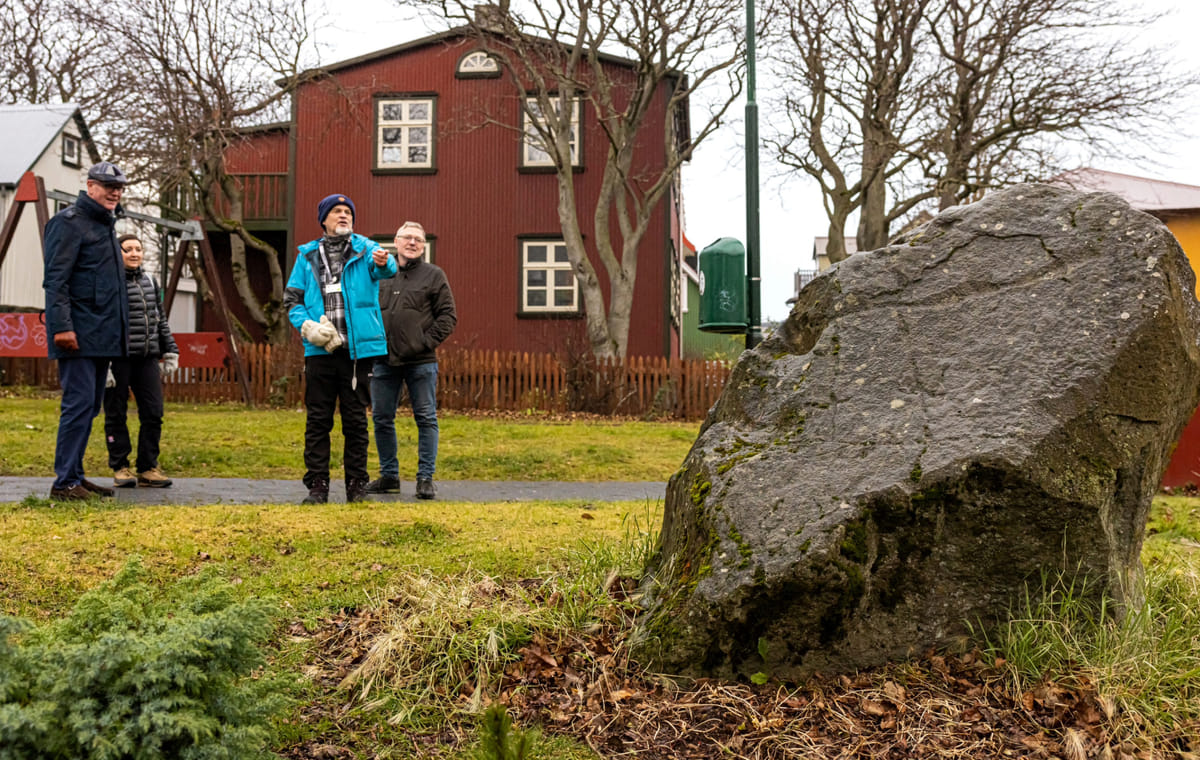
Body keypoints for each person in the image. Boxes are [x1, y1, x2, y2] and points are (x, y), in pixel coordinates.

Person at [283, 194, 397, 504]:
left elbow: (387, 269)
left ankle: (356, 488)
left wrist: (385, 261)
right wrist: (308, 327)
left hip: (357, 353)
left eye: (348, 212)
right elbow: (292, 300)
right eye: (337, 211)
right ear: (324, 220)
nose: (343, 216)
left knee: (355, 421)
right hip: (320, 353)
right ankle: (317, 487)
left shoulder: (366, 249)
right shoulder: (306, 256)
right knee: (318, 420)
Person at [42, 161, 131, 500]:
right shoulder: (68, 224)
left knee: (91, 406)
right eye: (108, 186)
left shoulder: (105, 226)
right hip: (77, 334)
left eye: (119, 187)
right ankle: (64, 482)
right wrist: (62, 327)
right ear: (90, 186)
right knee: (78, 405)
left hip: (102, 336)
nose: (115, 192)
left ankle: (75, 476)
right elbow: (56, 280)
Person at [366, 221, 456, 500]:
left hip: (421, 362)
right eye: (408, 238)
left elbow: (448, 317)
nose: (413, 243)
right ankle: (389, 476)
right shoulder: (381, 275)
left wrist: (423, 343)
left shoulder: (434, 275)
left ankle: (425, 478)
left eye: (418, 239)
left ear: (423, 245)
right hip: (382, 360)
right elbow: (366, 310)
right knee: (382, 418)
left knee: (426, 418)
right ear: (396, 241)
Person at [103, 234, 180, 489]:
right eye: (128, 250)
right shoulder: (108, 282)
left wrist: (170, 350)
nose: (134, 253)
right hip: (118, 358)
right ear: (117, 253)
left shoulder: (150, 281)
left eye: (138, 249)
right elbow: (101, 322)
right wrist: (103, 364)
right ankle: (120, 467)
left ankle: (148, 467)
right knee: (116, 413)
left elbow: (160, 319)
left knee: (154, 412)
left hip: (147, 357)